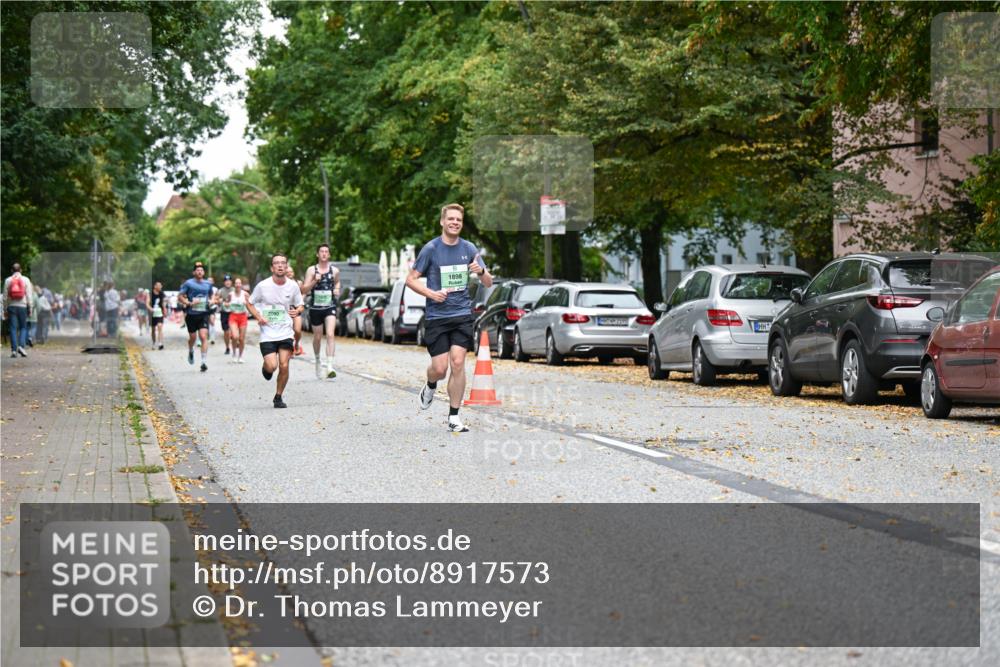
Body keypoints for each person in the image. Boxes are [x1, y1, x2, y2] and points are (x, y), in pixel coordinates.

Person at [405, 203, 492, 433]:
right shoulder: (431, 249)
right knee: (440, 368)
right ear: (442, 222)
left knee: (458, 362)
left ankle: (454, 416)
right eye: (451, 219)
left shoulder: (469, 247)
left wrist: (480, 271)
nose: (455, 223)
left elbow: (488, 281)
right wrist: (431, 293)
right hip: (437, 316)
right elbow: (411, 279)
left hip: (462, 314)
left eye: (459, 220)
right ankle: (431, 384)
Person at [246, 254, 304, 408]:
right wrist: (258, 316)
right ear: (272, 268)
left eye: (283, 263)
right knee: (273, 366)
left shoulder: (293, 286)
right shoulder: (263, 286)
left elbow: (300, 304)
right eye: (276, 263)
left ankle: (278, 397)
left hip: (285, 331)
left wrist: (297, 311)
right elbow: (250, 303)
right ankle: (266, 368)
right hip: (268, 333)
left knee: (284, 365)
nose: (280, 266)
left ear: (286, 267)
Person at [301, 243, 341, 378]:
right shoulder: (311, 271)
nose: (324, 253)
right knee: (317, 337)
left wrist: (336, 289)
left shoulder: (334, 270)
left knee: (330, 334)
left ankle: (330, 366)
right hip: (315, 307)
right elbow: (304, 290)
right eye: (321, 251)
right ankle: (318, 360)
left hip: (330, 307)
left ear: (329, 255)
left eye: (326, 251)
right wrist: (313, 281)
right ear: (317, 254)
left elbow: (337, 282)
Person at [177, 262, 218, 372]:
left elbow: (212, 295)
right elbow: (180, 297)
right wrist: (189, 303)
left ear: (203, 272)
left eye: (201, 270)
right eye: (197, 270)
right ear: (194, 272)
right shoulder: (188, 283)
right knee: (193, 338)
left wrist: (211, 301)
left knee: (203, 336)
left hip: (203, 313)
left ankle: (203, 362)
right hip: (191, 314)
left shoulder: (208, 284)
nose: (199, 272)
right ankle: (191, 350)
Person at [4, 263, 32, 357]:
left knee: (12, 328)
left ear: (11, 270)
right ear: (21, 270)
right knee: (23, 327)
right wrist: (30, 307)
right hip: (22, 306)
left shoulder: (8, 280)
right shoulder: (26, 280)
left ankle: (13, 351)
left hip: (11, 306)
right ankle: (21, 346)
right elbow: (29, 295)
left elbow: (5, 297)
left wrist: (5, 309)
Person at [226, 277, 250, 363]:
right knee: (235, 336)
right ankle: (234, 354)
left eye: (239, 283)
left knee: (241, 339)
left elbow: (251, 304)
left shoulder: (245, 294)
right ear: (234, 285)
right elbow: (226, 303)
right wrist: (228, 304)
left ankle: (240, 356)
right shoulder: (230, 294)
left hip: (243, 317)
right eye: (236, 283)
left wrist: (246, 303)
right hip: (233, 316)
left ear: (241, 285)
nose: (238, 285)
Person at [286, 265, 305, 356]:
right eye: (288, 272)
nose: (290, 273)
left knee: (297, 330)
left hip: (296, 308)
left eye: (291, 272)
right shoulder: (282, 284)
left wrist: (300, 302)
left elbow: (303, 293)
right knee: (287, 331)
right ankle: (289, 349)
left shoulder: (298, 283)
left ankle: (296, 344)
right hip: (285, 309)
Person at [216, 274, 234, 357]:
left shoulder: (234, 290)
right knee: (226, 332)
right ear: (224, 282)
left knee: (233, 331)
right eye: (226, 281)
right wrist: (219, 301)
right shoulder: (220, 291)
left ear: (231, 282)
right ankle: (227, 347)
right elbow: (216, 300)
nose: (228, 282)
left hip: (233, 312)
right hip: (224, 313)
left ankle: (234, 342)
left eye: (229, 281)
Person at [149, 281, 166, 350]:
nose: (160, 287)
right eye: (159, 285)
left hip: (159, 312)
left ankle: (160, 343)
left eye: (161, 285)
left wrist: (164, 310)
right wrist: (150, 309)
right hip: (152, 313)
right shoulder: (150, 294)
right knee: (153, 329)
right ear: (155, 286)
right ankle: (154, 342)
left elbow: (163, 303)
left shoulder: (162, 294)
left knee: (160, 326)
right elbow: (147, 303)